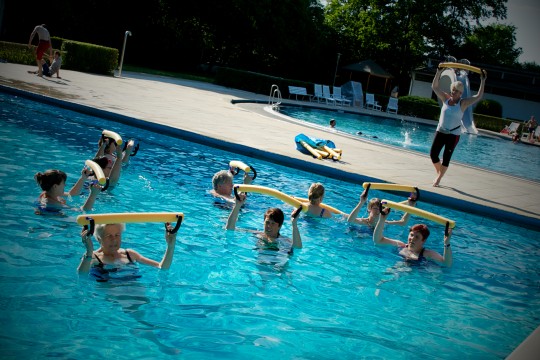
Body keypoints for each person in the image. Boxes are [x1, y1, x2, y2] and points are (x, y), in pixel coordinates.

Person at [430, 67, 486, 187]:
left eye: (460, 92)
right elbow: (434, 87)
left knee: (446, 157)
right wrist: (438, 72)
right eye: (456, 91)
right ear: (452, 90)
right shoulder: (445, 98)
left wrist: (483, 80)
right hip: (441, 131)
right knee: (433, 154)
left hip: (453, 134)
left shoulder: (463, 103)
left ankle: (439, 178)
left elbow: (478, 96)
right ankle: (439, 173)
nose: (458, 94)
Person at [77, 222, 178, 281]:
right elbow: (81, 275)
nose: (114, 240)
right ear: (99, 239)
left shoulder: (130, 254)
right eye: (109, 236)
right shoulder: (92, 257)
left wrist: (171, 245)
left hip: (137, 295)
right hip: (112, 301)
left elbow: (162, 267)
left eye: (117, 235)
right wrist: (89, 250)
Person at [373, 209, 453, 266]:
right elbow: (378, 240)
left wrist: (446, 243)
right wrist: (382, 220)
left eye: (417, 237)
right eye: (411, 235)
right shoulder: (401, 245)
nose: (412, 238)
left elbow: (446, 264)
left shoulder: (427, 254)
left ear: (423, 240)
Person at [226, 195, 302, 253]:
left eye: (273, 223)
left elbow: (298, 248)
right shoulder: (257, 234)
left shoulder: (284, 240)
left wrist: (294, 224)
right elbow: (230, 229)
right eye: (267, 222)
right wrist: (237, 206)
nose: (269, 226)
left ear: (279, 226)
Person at [34, 168, 100, 214]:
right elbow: (84, 211)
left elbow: (71, 194)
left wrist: (83, 178)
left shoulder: (47, 193)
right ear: (55, 186)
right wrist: (93, 194)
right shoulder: (53, 204)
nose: (65, 185)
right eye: (63, 183)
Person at [347, 187, 417, 227]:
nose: (377, 211)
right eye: (375, 208)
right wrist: (361, 202)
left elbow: (403, 222)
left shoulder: (384, 222)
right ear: (369, 210)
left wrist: (411, 206)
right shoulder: (364, 222)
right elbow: (350, 220)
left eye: (379, 209)